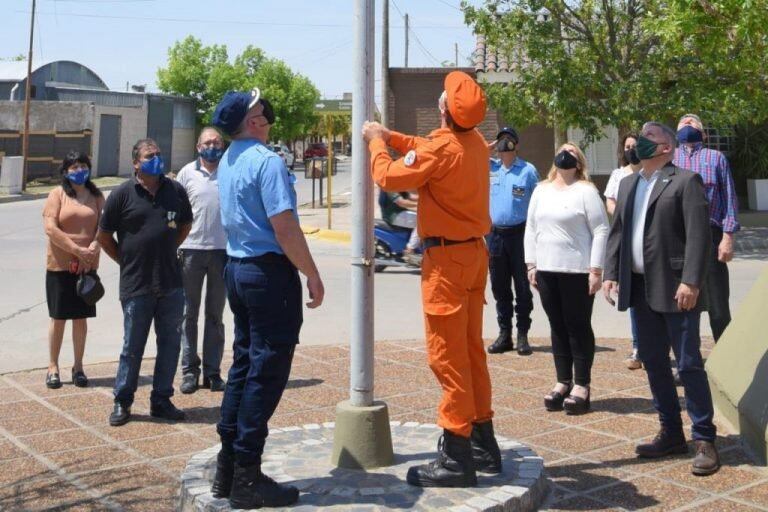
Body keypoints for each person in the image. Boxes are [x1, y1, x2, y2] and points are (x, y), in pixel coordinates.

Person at [364, 71, 500, 488]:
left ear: (442, 109)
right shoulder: (474, 142)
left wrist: (374, 141)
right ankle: (482, 443)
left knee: (448, 358)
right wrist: (391, 134)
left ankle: (457, 456)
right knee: (471, 352)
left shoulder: (443, 148)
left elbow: (387, 176)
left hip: (447, 262)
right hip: (474, 255)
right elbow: (425, 148)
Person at [209, 88, 324, 509]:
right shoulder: (266, 162)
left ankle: (228, 466)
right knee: (266, 372)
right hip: (266, 273)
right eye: (260, 109)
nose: (267, 113)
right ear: (253, 121)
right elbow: (285, 228)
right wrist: (311, 273)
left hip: (238, 270)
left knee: (243, 364)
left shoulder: (229, 159)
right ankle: (247, 476)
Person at [603, 122, 720, 476]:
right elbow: (618, 232)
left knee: (687, 363)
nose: (640, 140)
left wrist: (691, 281)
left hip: (676, 288)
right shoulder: (627, 183)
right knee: (654, 362)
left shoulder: (685, 181)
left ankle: (704, 438)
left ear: (667, 147)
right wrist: (610, 273)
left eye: (649, 136)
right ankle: (671, 433)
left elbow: (699, 235)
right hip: (639, 287)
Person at [97, 139, 193, 427]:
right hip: (136, 285)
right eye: (150, 156)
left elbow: (185, 225)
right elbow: (104, 237)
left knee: (170, 344)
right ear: (136, 163)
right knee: (132, 347)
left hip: (171, 283)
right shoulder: (122, 194)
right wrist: (126, 261)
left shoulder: (175, 190)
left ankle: (161, 400)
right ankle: (122, 400)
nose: (157, 159)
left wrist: (164, 250)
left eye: (159, 154)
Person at [524, 143, 608, 415]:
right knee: (557, 326)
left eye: (572, 152)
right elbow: (531, 228)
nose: (565, 154)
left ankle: (582, 385)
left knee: (578, 327)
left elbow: (601, 229)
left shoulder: (586, 191)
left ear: (579, 162)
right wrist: (531, 264)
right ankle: (563, 381)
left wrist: (596, 269)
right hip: (547, 270)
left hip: (577, 271)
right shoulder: (541, 189)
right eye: (562, 150)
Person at [673, 114, 740, 342]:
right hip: (678, 237)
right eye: (683, 124)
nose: (687, 126)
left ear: (703, 134)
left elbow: (729, 198)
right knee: (682, 304)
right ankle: (689, 365)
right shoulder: (669, 160)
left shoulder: (716, 158)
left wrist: (728, 237)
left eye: (693, 124)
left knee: (718, 305)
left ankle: (726, 360)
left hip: (711, 236)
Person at [42, 151, 104, 389]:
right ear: (66, 171)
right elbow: (50, 228)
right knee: (58, 317)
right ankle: (52, 366)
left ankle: (78, 367)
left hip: (87, 267)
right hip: (60, 265)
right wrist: (76, 249)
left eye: (83, 166)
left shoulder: (96, 196)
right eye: (74, 167)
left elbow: (104, 225)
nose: (79, 171)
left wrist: (94, 246)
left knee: (80, 318)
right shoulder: (57, 195)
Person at [176, 127, 228, 394]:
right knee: (188, 314)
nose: (213, 146)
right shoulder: (186, 173)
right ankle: (189, 371)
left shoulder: (230, 170)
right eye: (208, 142)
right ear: (198, 147)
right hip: (191, 251)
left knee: (215, 315)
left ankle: (213, 372)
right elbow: (176, 211)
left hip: (222, 252)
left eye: (217, 142)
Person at [486, 127, 538, 356]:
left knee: (523, 287)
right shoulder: (490, 167)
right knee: (499, 287)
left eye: (509, 140)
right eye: (501, 140)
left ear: (516, 145)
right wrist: (486, 147)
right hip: (495, 235)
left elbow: (537, 203)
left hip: (520, 234)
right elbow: (469, 155)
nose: (504, 144)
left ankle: (523, 335)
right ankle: (504, 334)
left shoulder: (527, 170)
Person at [604, 133, 643, 370]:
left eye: (635, 146)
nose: (631, 150)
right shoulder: (619, 175)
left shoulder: (651, 174)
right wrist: (621, 215)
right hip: (625, 239)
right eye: (627, 147)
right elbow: (609, 200)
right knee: (633, 298)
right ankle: (638, 347)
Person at [380, 188, 421, 263]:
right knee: (422, 221)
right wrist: (422, 203)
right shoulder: (389, 186)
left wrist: (428, 198)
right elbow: (401, 202)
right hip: (394, 216)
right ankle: (410, 250)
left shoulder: (398, 185)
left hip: (401, 213)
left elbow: (410, 197)